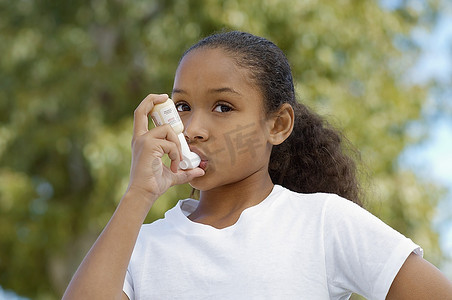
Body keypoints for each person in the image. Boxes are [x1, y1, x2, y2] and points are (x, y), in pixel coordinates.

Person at [63, 31, 452, 299]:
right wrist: (138, 194)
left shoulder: (322, 223)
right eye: (182, 106)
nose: (194, 128)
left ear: (278, 125)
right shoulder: (140, 245)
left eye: (223, 107)